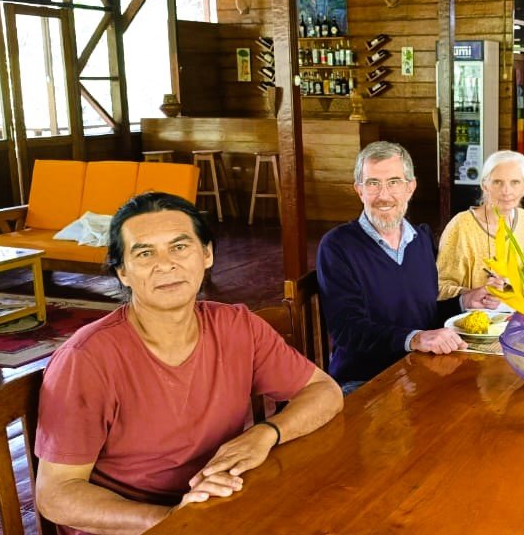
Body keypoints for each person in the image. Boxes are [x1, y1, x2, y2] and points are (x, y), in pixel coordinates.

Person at [34, 192, 343, 535]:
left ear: (207, 254)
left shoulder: (236, 326)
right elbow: (56, 495)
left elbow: (324, 391)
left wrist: (266, 433)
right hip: (141, 525)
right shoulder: (87, 359)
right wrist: (173, 520)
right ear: (122, 272)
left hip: (222, 504)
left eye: (180, 247)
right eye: (145, 253)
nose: (166, 264)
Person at [317, 141, 495, 393]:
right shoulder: (337, 246)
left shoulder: (419, 239)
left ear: (410, 188)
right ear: (359, 190)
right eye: (373, 183)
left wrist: (465, 302)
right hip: (364, 382)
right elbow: (348, 329)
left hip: (419, 371)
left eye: (394, 182)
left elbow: (424, 311)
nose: (384, 195)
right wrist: (415, 339)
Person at [437, 150, 524, 300]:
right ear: (484, 185)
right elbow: (439, 288)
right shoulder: (462, 226)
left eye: (515, 182)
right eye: (497, 182)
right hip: (472, 317)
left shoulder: (522, 218)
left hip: (512, 313)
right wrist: (475, 293)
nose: (506, 191)